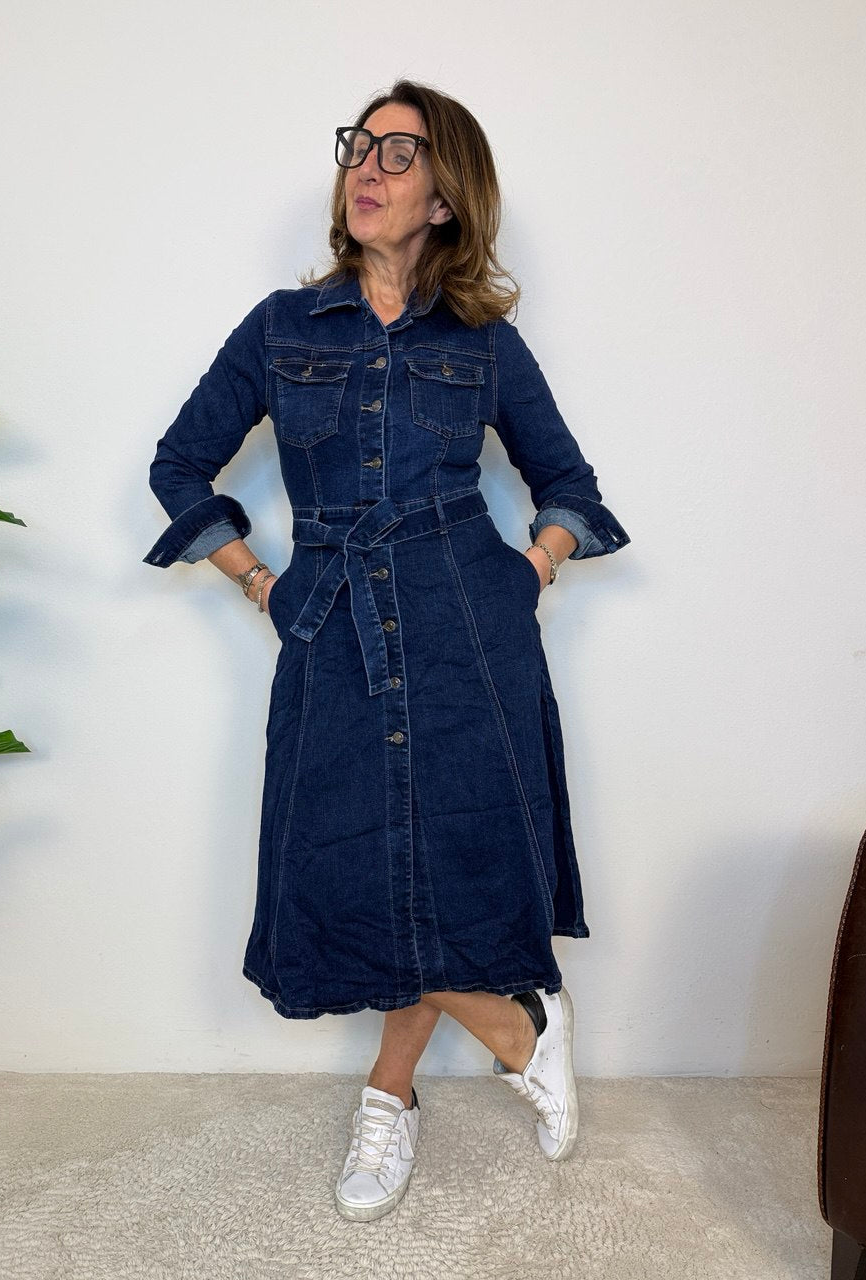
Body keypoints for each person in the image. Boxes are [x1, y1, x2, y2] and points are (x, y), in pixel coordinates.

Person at [142, 79, 631, 1222]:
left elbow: (569, 484)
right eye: (359, 145)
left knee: (443, 856)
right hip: (332, 622)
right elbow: (177, 464)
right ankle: (520, 1028)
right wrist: (259, 579)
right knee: (356, 869)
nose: (367, 165)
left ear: (445, 197)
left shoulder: (483, 342)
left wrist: (528, 569)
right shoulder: (281, 327)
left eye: (398, 152)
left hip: (466, 624)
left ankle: (388, 1094)